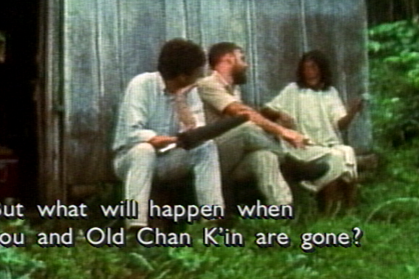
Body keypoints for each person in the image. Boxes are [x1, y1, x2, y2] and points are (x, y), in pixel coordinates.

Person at [112, 39, 224, 231]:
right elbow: (133, 133)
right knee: (144, 150)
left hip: (167, 159)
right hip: (130, 160)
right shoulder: (141, 85)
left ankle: (212, 222)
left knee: (207, 146)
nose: (200, 77)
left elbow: (195, 130)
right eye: (197, 72)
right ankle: (136, 227)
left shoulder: (190, 91)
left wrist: (180, 101)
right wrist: (165, 140)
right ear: (182, 76)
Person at [197, 42, 313, 207]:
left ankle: (283, 211)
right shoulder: (208, 84)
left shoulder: (234, 89)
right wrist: (282, 132)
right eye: (242, 59)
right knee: (246, 129)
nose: (247, 65)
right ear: (228, 59)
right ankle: (289, 161)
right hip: (211, 158)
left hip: (233, 157)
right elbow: (242, 114)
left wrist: (277, 123)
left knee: (265, 157)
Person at [262, 50, 362, 212]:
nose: (309, 71)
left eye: (313, 67)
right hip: (302, 146)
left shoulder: (330, 93)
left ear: (321, 69)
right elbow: (266, 110)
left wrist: (352, 111)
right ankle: (327, 208)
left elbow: (340, 124)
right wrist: (279, 114)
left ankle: (349, 207)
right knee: (336, 159)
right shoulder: (293, 90)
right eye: (305, 68)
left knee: (347, 152)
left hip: (326, 144)